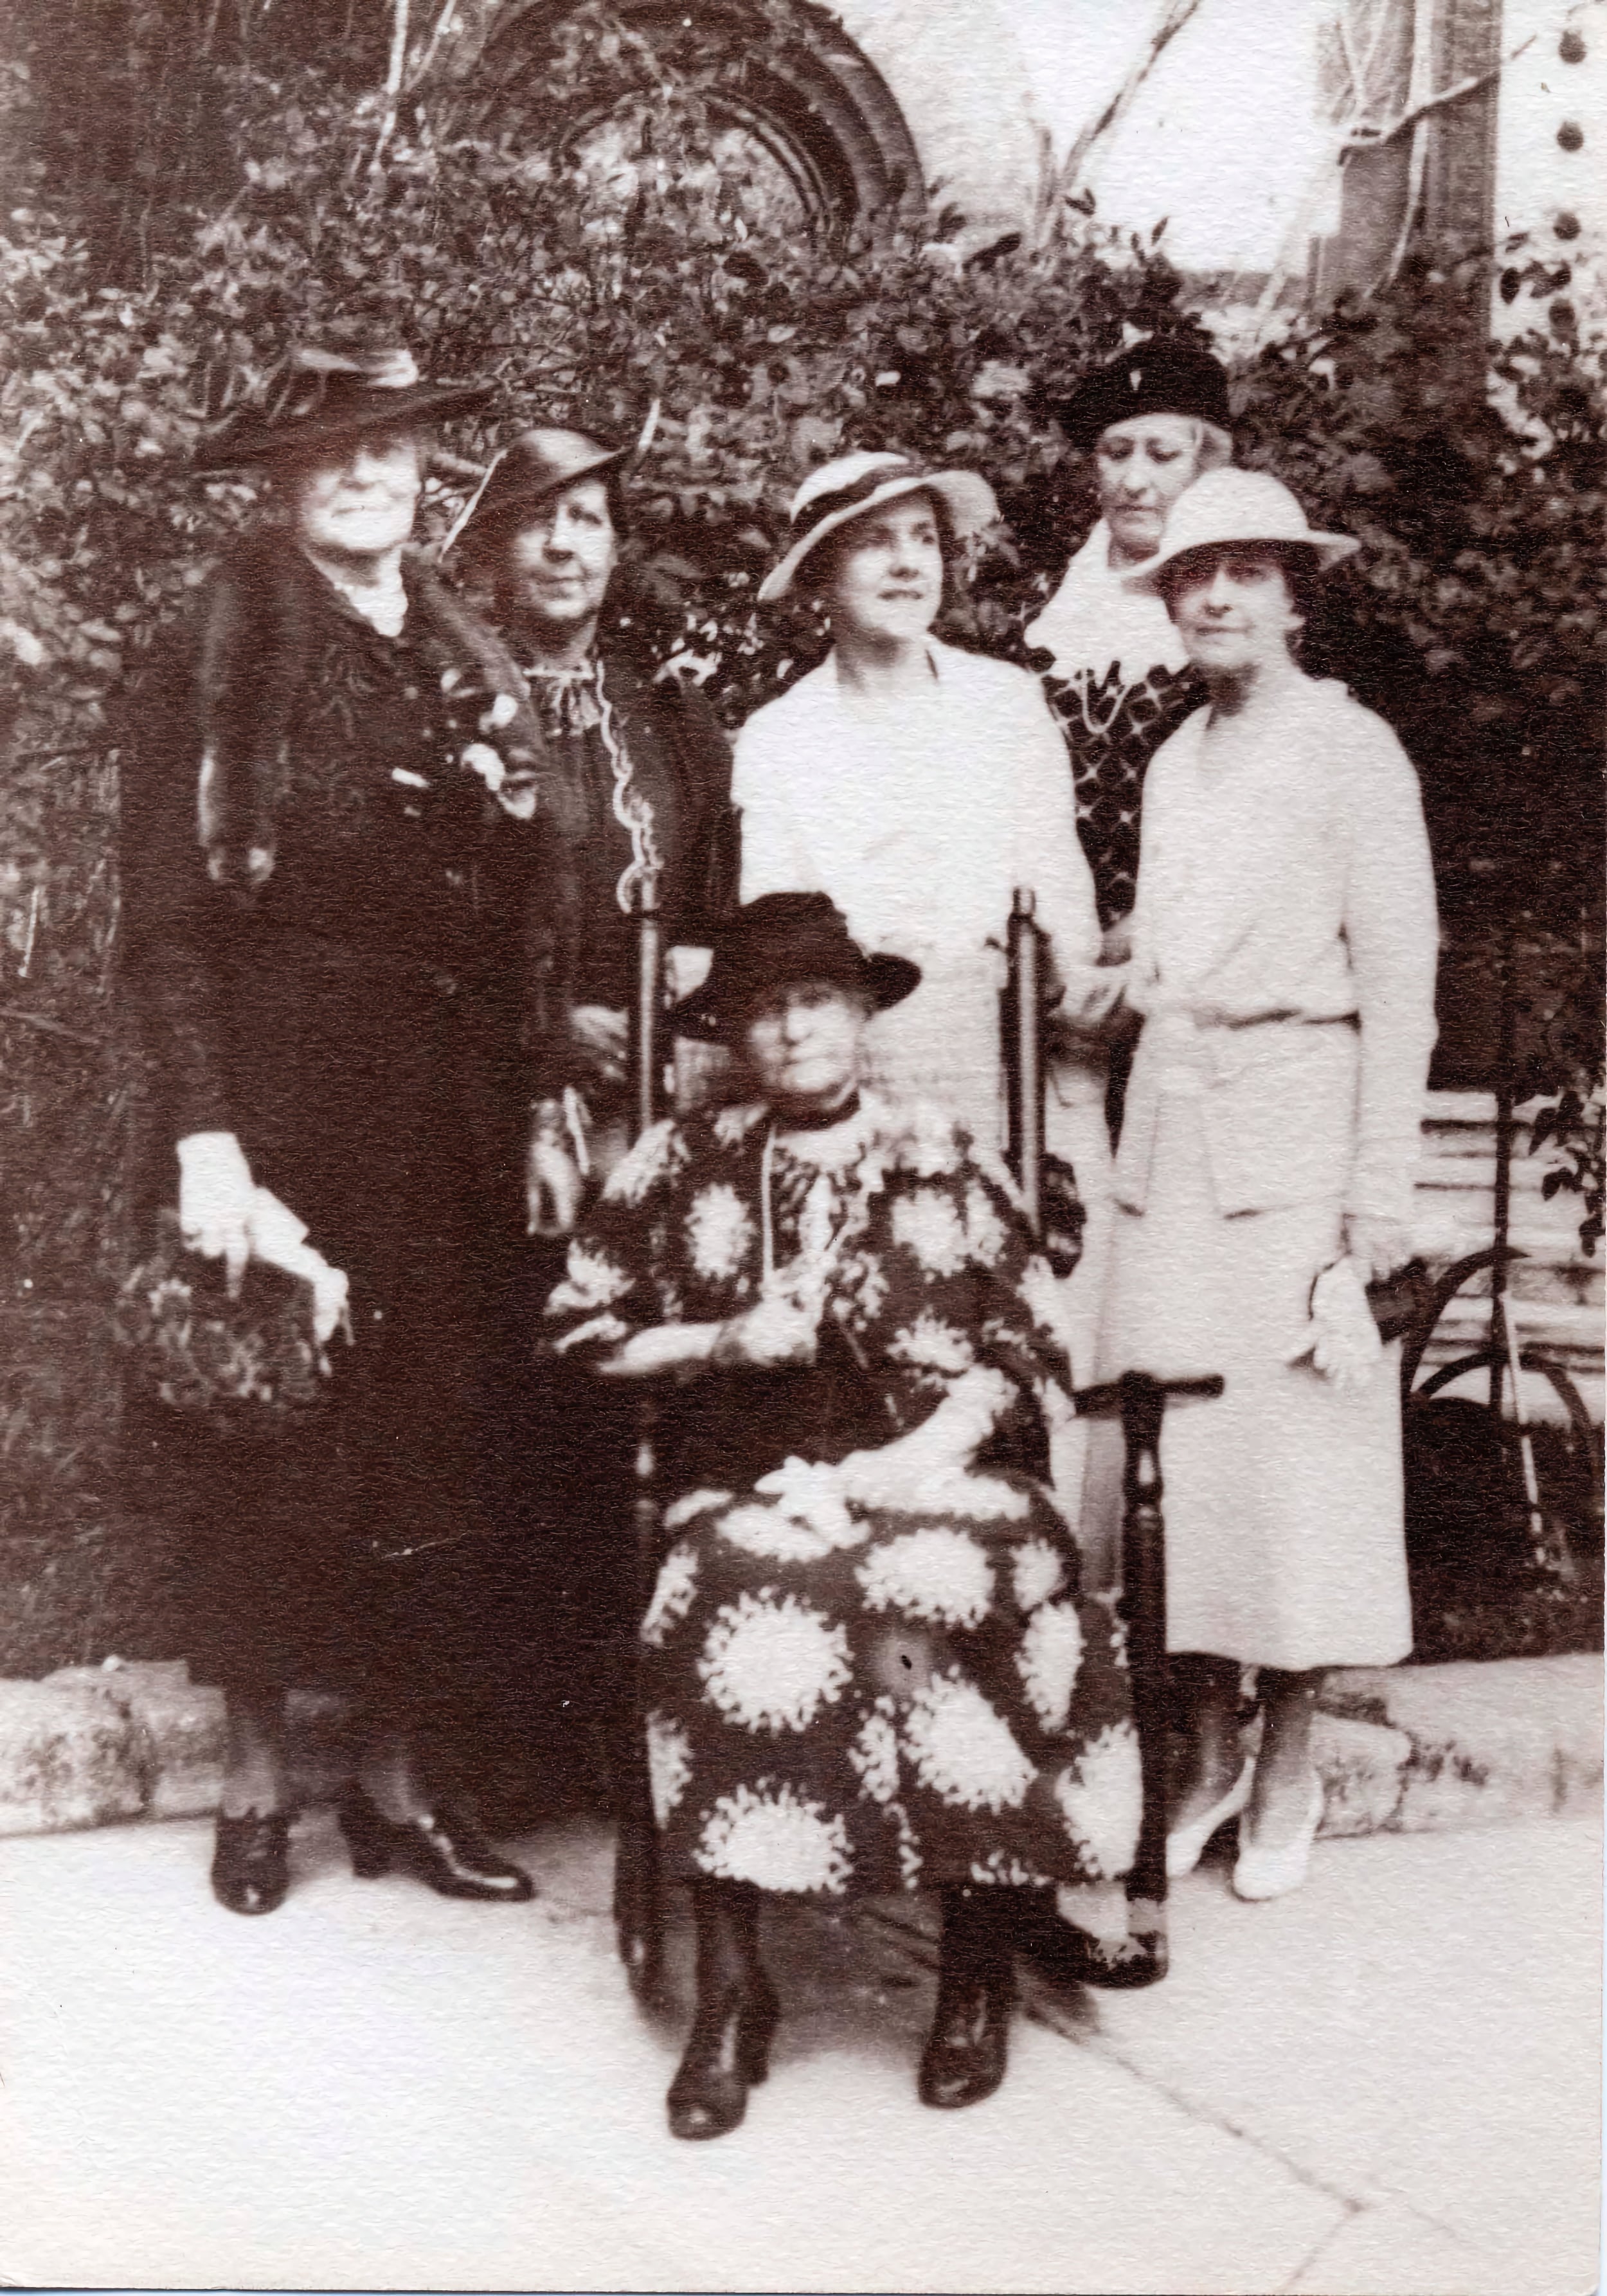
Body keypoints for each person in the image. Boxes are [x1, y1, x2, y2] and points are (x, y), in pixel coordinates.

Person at [544, 895, 1141, 2139]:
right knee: (729, 1581)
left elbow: (1033, 1338)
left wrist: (936, 1445)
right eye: (763, 1009)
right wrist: (719, 1334)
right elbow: (574, 1331)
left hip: (946, 1468)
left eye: (816, 1000)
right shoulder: (682, 1157)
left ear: (863, 1014)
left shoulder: (942, 1149)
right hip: (753, 1473)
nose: (792, 1029)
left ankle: (974, 1960)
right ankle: (732, 1986)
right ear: (736, 1036)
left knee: (946, 1578)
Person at [120, 345, 580, 1915]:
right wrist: (206, 1138)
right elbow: (167, 918)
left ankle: (398, 1778)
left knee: (434, 1436)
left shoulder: (462, 644)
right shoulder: (222, 640)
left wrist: (527, 1102)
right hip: (288, 1086)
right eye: (338, 457)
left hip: (446, 1099)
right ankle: (257, 1782)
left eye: (394, 450)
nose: (373, 476)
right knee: (273, 1429)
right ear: (285, 482)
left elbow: (514, 909)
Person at [1090, 468, 1439, 1901]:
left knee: (1299, 1473)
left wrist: (1374, 1204)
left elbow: (1400, 984)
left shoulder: (1350, 751)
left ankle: (1289, 1754)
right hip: (1172, 1147)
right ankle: (1209, 1751)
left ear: (1295, 595)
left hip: (1299, 1145)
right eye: (1190, 574)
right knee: (1184, 1470)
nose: (1216, 596)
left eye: (1245, 571)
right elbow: (1167, 962)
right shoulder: (1175, 760)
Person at [733, 450, 1118, 1427]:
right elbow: (781, 927)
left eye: (924, 541)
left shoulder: (1005, 703)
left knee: (1027, 1307)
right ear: (821, 574)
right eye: (874, 543)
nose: (909, 566)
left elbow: (1058, 888)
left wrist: (1061, 991)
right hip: (870, 1057)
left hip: (1009, 1052)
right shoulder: (780, 736)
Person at [449, 424, 736, 1219]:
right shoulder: (447, 709)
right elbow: (419, 924)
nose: (561, 546)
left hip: (660, 1096)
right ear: (492, 551)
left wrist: (689, 979)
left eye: (585, 519)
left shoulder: (673, 718)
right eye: (535, 522)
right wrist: (544, 1029)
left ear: (615, 548)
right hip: (481, 1099)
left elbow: (723, 894)